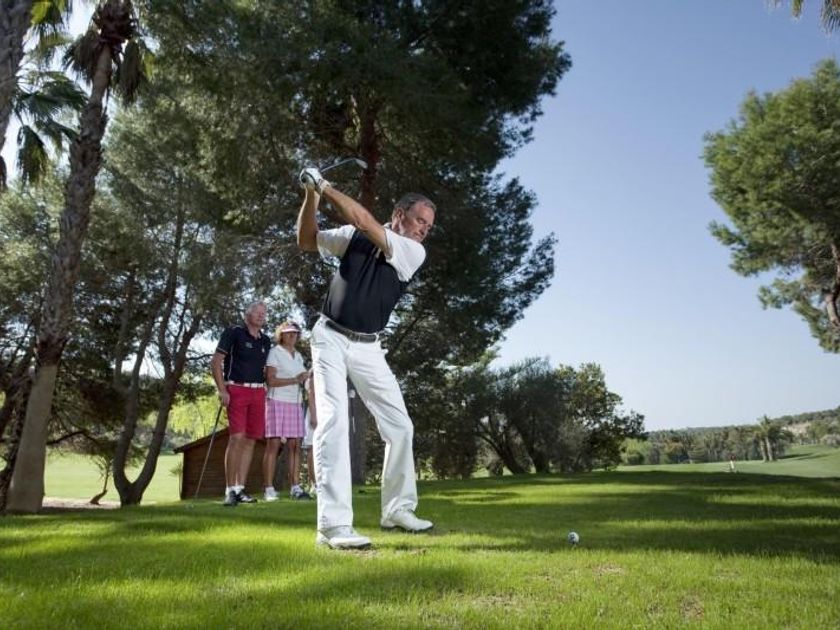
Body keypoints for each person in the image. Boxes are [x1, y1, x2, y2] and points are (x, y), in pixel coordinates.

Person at [297, 165, 436, 550]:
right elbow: (307, 240)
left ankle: (397, 510)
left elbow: (363, 219)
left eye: (429, 226)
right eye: (420, 221)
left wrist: (324, 185)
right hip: (329, 337)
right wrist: (311, 196)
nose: (424, 230)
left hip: (369, 347)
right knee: (333, 421)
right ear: (400, 214)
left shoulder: (412, 251)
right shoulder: (352, 237)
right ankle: (333, 527)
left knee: (400, 427)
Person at [210, 301, 271, 506]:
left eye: (264, 313)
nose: (261, 316)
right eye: (257, 312)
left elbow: (264, 369)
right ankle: (229, 490)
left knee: (251, 440)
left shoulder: (265, 341)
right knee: (237, 438)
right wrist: (222, 389)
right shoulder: (234, 333)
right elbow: (216, 362)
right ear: (247, 315)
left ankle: (239, 488)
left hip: (258, 391)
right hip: (236, 389)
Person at [263, 320, 311, 501]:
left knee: (295, 446)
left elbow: (303, 379)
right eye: (288, 333)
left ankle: (295, 488)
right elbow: (271, 380)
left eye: (295, 333)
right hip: (276, 400)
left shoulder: (298, 356)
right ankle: (269, 489)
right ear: (281, 335)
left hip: (295, 402)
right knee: (273, 445)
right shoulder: (274, 352)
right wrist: (295, 380)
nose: (292, 335)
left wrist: (306, 378)